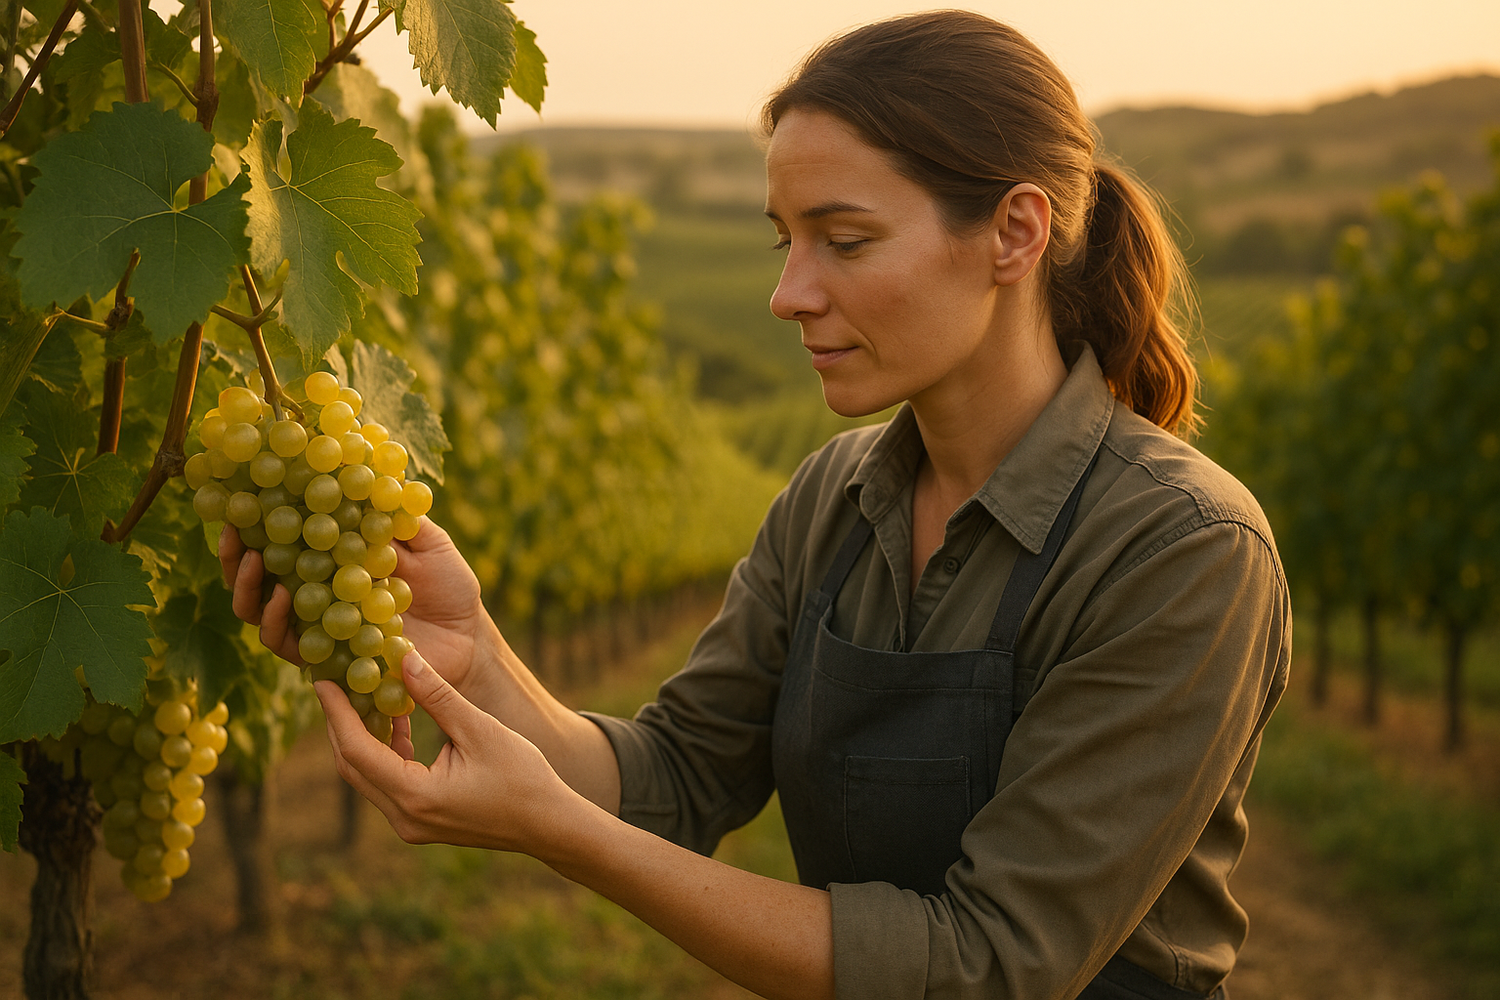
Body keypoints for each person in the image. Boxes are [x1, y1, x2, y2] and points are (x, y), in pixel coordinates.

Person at [222, 11, 1290, 1000]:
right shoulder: (833, 496)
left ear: (1015, 233)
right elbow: (676, 776)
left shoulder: (1183, 549)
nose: (791, 294)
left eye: (847, 239)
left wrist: (561, 834)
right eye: (785, 239)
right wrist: (477, 656)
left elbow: (990, 964)